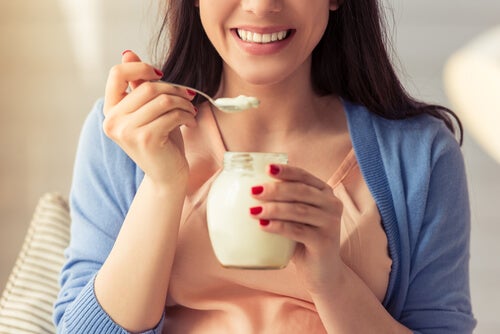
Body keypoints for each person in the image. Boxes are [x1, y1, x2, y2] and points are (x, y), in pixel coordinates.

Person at [53, 0, 476, 333]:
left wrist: (330, 279)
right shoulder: (129, 132)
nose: (261, 5)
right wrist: (164, 185)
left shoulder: (422, 155)